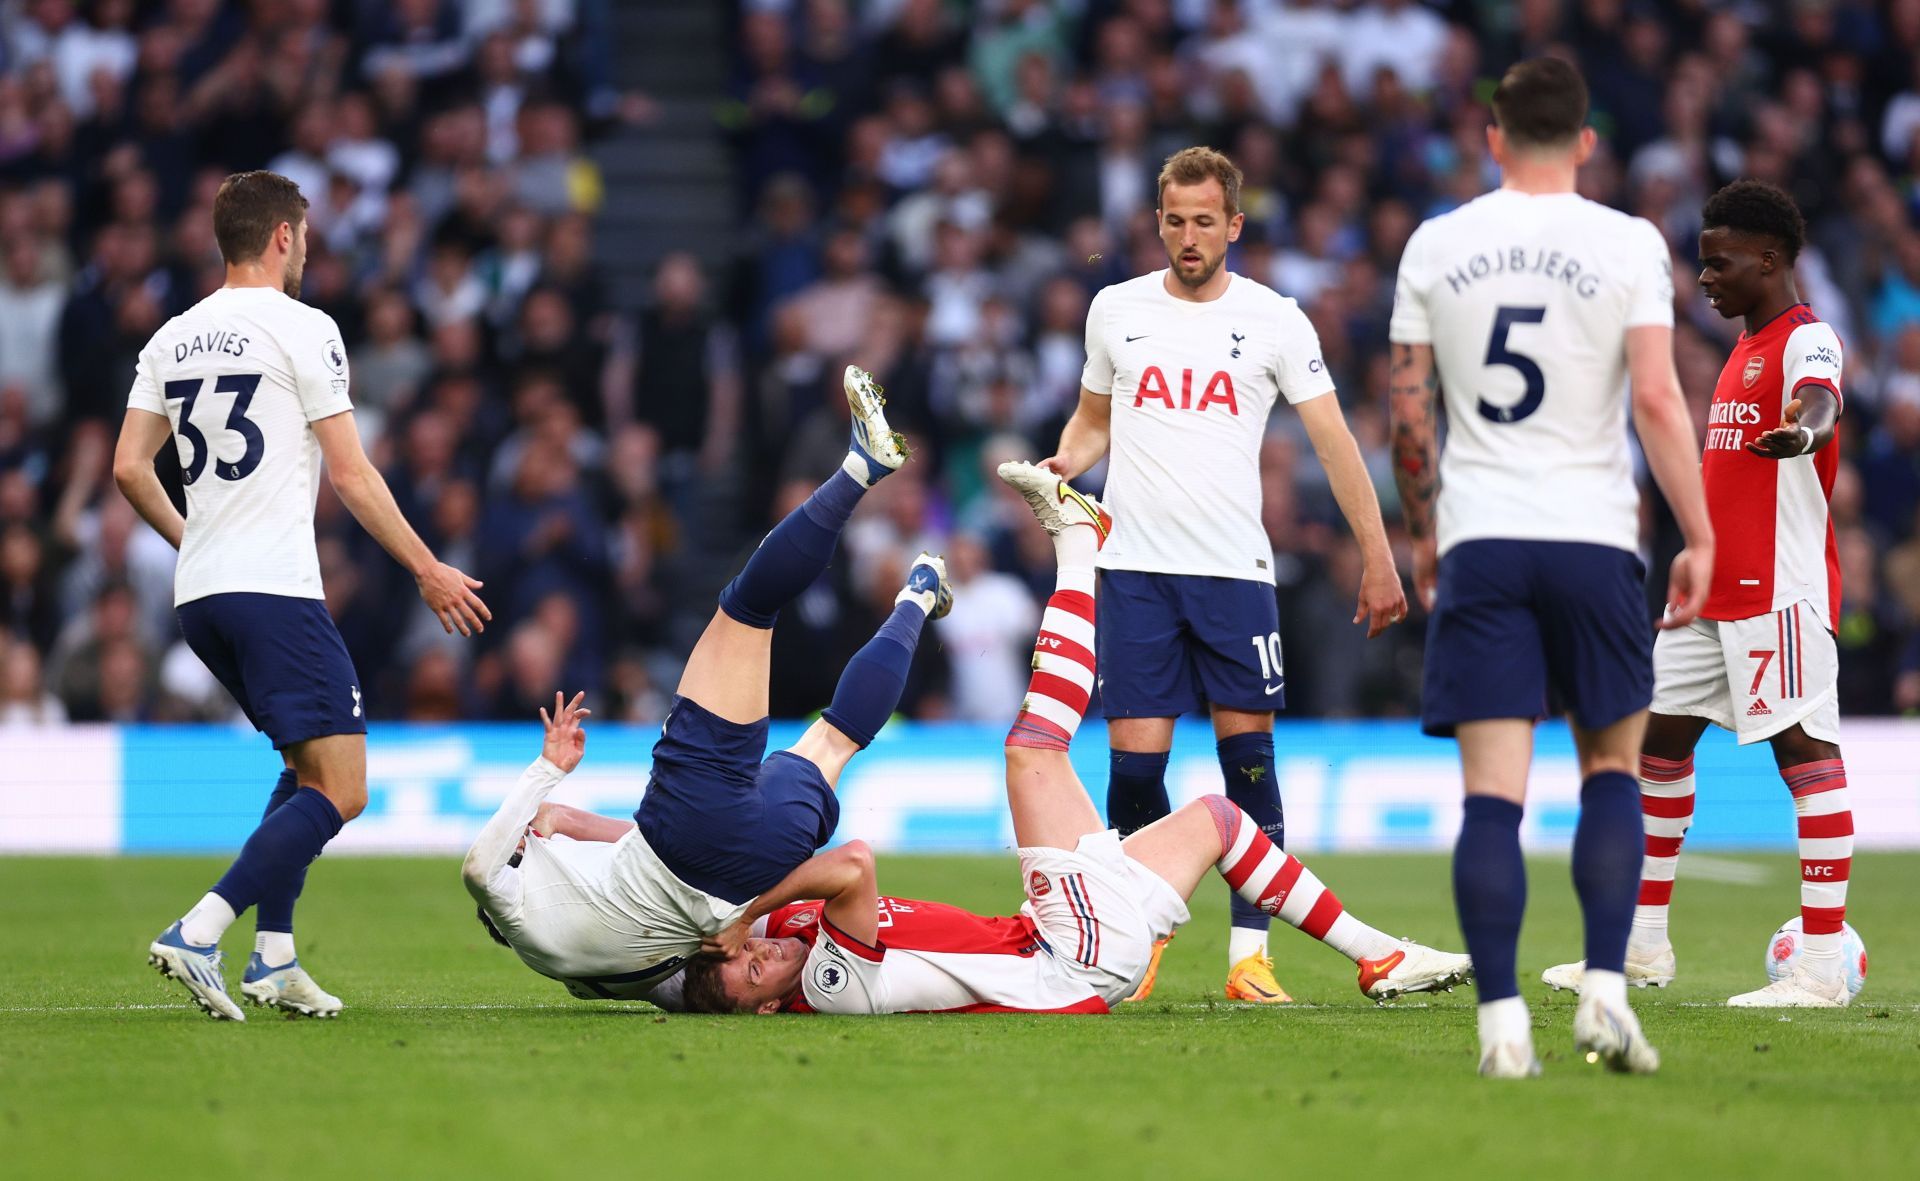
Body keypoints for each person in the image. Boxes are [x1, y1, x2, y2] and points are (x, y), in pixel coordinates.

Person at [675, 464, 1469, 1016]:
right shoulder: (828, 981)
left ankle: (1379, 953)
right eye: (755, 974)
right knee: (1030, 750)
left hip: (1057, 939)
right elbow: (852, 863)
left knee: (1219, 821)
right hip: (1067, 960)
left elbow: (669, 940)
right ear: (773, 1002)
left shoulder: (782, 939)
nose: (762, 957)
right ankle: (1080, 541)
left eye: (748, 957)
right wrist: (746, 913)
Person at [1386, 59, 1714, 1076]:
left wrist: (1427, 527)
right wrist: (1700, 535)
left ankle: (1502, 1026)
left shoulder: (1438, 244)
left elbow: (1407, 412)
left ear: (1492, 136)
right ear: (1585, 141)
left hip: (1483, 536)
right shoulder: (1626, 242)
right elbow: (1658, 400)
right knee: (1612, 768)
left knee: (1494, 797)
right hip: (1595, 537)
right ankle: (1608, 996)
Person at [115, 171, 491, 1021]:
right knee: (346, 786)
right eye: (307, 237)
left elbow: (128, 468)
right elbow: (352, 474)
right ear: (283, 236)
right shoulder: (304, 326)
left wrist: (192, 543)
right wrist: (428, 566)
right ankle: (201, 927)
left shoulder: (173, 336)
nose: (308, 251)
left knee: (303, 766)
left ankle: (274, 956)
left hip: (202, 595)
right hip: (274, 587)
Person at [1039, 145, 1409, 1004]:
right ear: (1158, 222)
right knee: (1135, 773)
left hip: (1234, 575)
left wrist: (1378, 555)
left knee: (1250, 769)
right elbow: (1094, 426)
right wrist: (1059, 466)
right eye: (1175, 220)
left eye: (1206, 220)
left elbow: (1334, 442)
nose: (1190, 236)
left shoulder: (1276, 319)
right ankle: (1142, 943)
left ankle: (1251, 957)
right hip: (1131, 570)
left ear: (1235, 225)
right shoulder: (1115, 310)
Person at [462, 367, 954, 999]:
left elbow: (632, 875)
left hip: (749, 869)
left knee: (833, 740)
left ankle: (918, 595)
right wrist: (547, 772)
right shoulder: (514, 900)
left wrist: (559, 818)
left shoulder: (588, 979)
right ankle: (861, 467)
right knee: (749, 606)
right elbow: (481, 866)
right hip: (687, 822)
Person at [1542, 182, 1855, 1009]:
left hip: (1778, 593)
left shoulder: (1803, 337)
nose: (1704, 278)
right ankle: (1641, 948)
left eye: (1719, 263)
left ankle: (1822, 962)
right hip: (1711, 592)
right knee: (1656, 747)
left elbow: (1822, 397)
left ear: (1771, 259)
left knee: (1806, 755)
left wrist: (1808, 430)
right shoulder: (1740, 350)